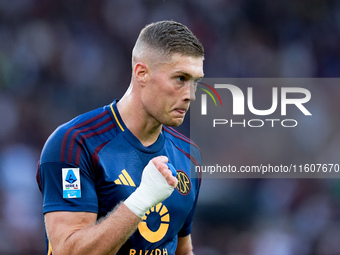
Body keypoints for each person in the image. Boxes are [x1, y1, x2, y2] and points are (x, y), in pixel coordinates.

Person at [36, 20, 204, 255]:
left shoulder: (188, 155)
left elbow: (182, 249)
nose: (191, 95)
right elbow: (69, 251)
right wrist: (142, 199)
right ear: (142, 73)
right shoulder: (74, 143)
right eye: (180, 79)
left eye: (195, 82)